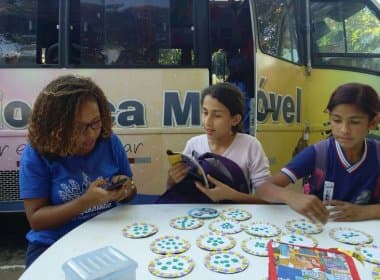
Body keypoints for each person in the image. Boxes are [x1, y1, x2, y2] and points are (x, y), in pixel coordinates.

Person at [19, 75, 137, 268]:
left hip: (108, 236)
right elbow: (36, 220)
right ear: (56, 128)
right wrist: (85, 202)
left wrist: (125, 189)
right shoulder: (37, 153)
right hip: (54, 243)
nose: (90, 134)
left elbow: (131, 191)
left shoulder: (109, 141)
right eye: (78, 128)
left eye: (95, 123)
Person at [256, 83, 380, 223]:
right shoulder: (318, 153)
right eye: (337, 120)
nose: (344, 129)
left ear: (373, 122)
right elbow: (263, 189)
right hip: (322, 230)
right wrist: (291, 197)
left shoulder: (377, 154)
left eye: (355, 122)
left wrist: (366, 211)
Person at [161, 82, 270, 203]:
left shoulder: (250, 146)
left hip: (238, 217)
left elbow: (266, 199)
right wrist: (171, 180)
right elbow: (177, 191)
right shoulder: (193, 144)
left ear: (235, 119)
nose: (207, 122)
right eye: (205, 112)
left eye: (217, 115)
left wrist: (230, 195)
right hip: (199, 216)